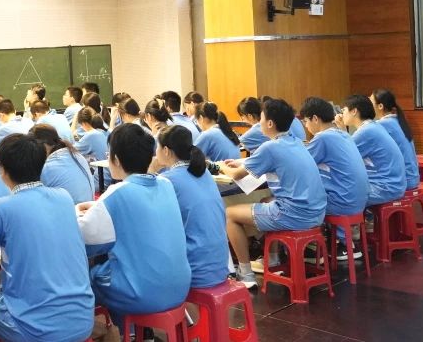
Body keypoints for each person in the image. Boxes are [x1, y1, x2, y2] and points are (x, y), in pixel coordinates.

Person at [0, 134, 94, 342]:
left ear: (2, 170)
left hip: (36, 331)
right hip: (84, 321)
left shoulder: (1, 207)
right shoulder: (63, 196)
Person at [78, 124, 191, 325]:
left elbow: (84, 239)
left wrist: (77, 213)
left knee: (91, 276)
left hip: (144, 294)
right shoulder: (165, 184)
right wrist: (99, 207)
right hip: (180, 288)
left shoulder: (116, 193)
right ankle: (134, 330)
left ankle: (122, 331)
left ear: (116, 159)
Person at [219, 99, 327, 288]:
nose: (258, 123)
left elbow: (235, 175)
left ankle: (246, 274)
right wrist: (242, 163)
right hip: (316, 212)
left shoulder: (270, 147)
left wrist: (220, 166)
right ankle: (273, 259)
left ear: (269, 123)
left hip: (294, 215)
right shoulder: (295, 141)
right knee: (266, 199)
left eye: (260, 118)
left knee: (229, 214)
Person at [153, 125, 229, 289]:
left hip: (194, 270)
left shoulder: (167, 180)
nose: (155, 152)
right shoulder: (204, 172)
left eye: (157, 147)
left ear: (166, 150)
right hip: (220, 266)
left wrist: (150, 170)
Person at [300, 97, 368, 260]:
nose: (306, 126)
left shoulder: (322, 138)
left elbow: (301, 164)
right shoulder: (343, 134)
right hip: (360, 200)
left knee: (298, 202)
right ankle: (341, 241)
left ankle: (312, 247)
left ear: (315, 118)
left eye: (306, 121)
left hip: (343, 202)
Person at [339, 94, 406, 205]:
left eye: (343, 110)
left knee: (337, 194)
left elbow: (343, 158)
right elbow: (348, 150)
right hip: (392, 184)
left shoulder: (366, 131)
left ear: (354, 111)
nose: (342, 114)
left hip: (385, 187)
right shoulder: (372, 126)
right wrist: (342, 129)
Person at [29, 124, 94, 204]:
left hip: (73, 210)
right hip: (89, 206)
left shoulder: (49, 167)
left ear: (43, 145)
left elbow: (32, 195)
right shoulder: (76, 154)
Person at [371, 88, 420, 190]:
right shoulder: (396, 120)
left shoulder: (383, 124)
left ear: (380, 106)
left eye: (370, 103)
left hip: (404, 180)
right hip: (413, 177)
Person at [73, 106, 109, 192]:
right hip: (110, 174)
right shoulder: (104, 130)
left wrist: (74, 121)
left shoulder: (91, 135)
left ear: (84, 123)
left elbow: (70, 151)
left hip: (101, 179)